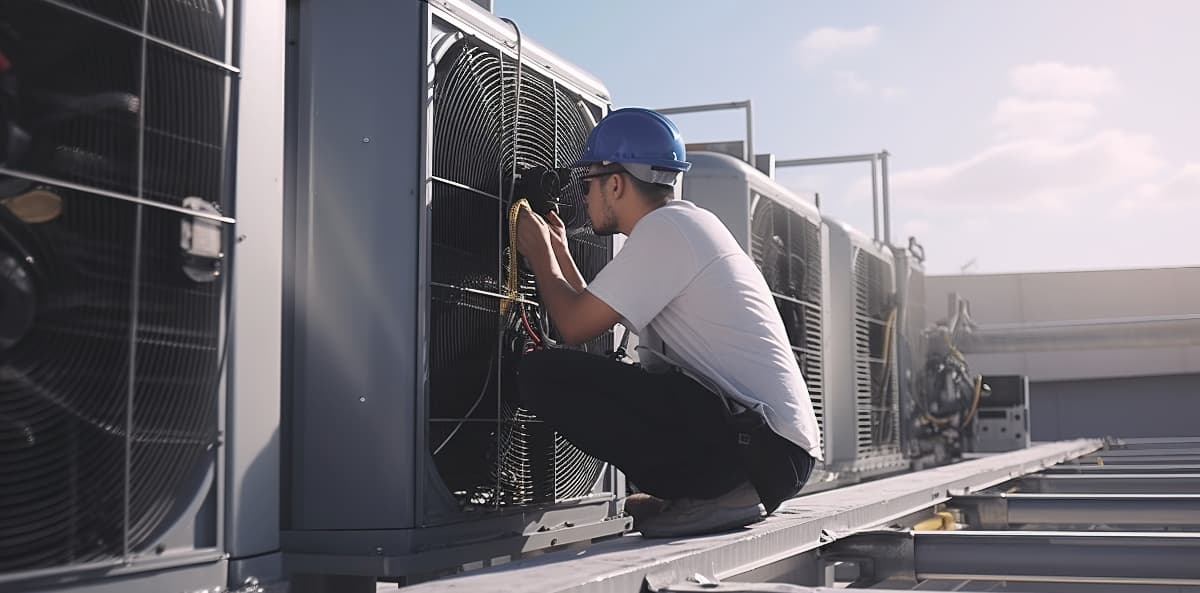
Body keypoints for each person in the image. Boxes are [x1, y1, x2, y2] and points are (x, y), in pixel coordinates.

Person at [514, 107, 822, 538]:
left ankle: (718, 494)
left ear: (616, 183)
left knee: (542, 374)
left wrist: (538, 254)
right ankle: (698, 491)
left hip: (758, 452)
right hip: (768, 448)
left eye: (587, 184)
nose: (583, 198)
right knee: (621, 377)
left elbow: (574, 326)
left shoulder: (665, 231)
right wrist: (560, 255)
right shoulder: (683, 226)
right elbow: (603, 319)